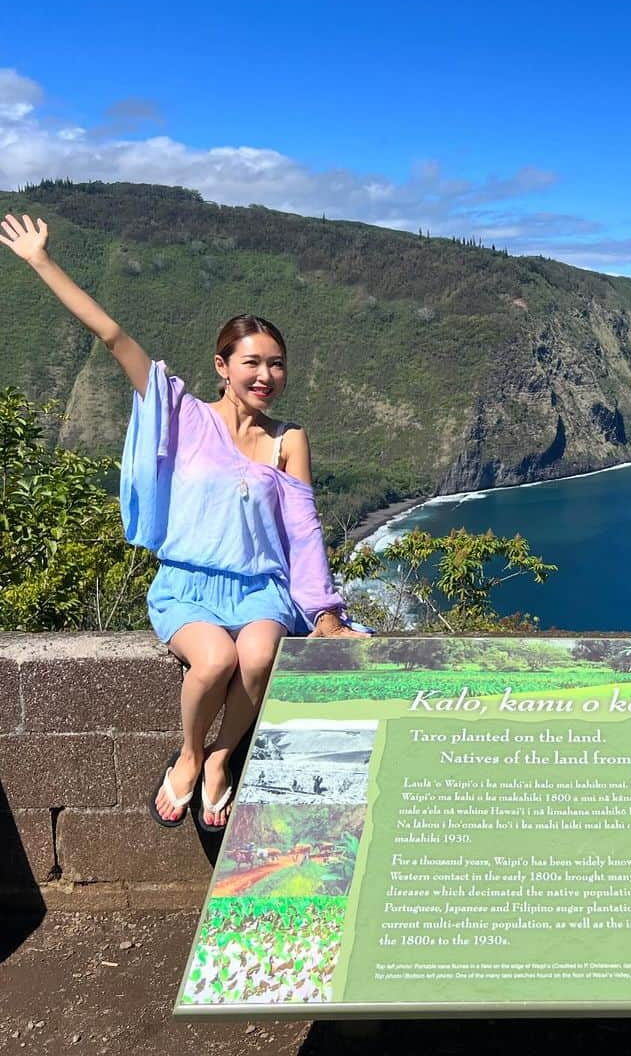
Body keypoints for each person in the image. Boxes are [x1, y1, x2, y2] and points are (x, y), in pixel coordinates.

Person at [1, 213, 367, 834]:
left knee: (258, 656)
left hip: (261, 589)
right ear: (222, 366)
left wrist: (324, 612)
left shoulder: (289, 440)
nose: (265, 377)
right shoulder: (182, 413)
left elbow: (304, 530)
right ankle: (191, 755)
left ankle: (223, 759)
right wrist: (40, 261)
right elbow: (115, 337)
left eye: (277, 364)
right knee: (216, 660)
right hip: (188, 585)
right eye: (251, 362)